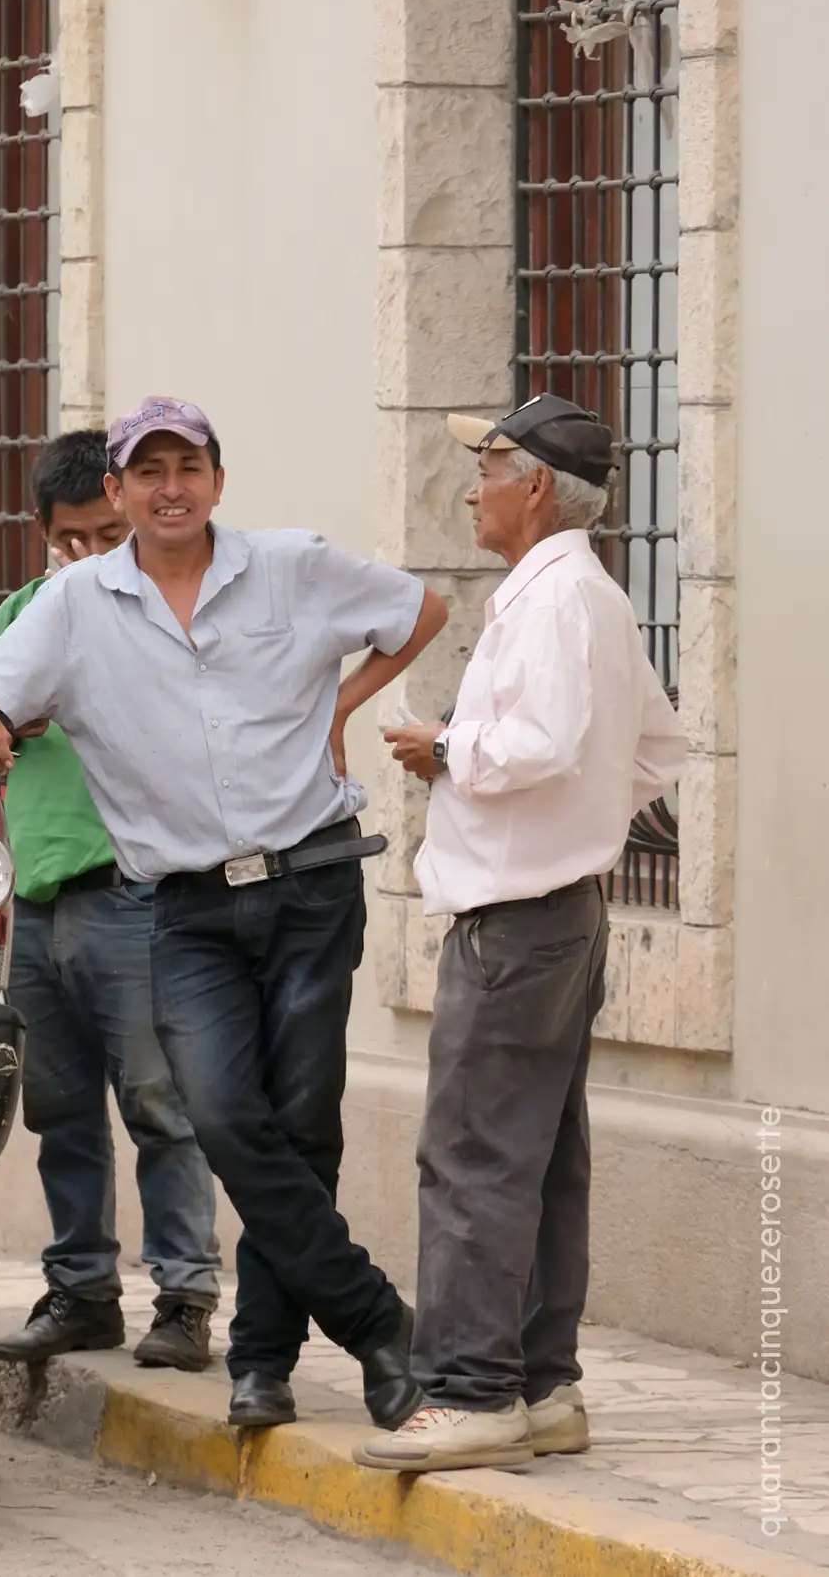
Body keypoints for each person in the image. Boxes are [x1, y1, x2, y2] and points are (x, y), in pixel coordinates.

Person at [0, 395, 450, 1432]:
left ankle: (262, 1361)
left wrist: (341, 708)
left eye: (190, 465)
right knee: (223, 1116)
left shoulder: (293, 564)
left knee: (300, 1128)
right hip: (184, 907)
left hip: (308, 883)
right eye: (148, 470)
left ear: (216, 478)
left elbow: (419, 611)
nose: (170, 486)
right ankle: (376, 1318)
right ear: (117, 492)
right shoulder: (76, 601)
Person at [355, 396, 687, 1473]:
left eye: (488, 463)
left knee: (473, 1152)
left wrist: (443, 745)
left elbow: (538, 741)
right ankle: (542, 1383)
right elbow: (652, 750)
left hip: (515, 914)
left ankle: (471, 1390)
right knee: (541, 1154)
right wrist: (582, 818)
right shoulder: (593, 597)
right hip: (565, 906)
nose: (470, 484)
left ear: (535, 484)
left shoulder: (551, 602)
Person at [0, 430, 223, 1373]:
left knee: (162, 1104)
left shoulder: (161, 610)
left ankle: (186, 1296)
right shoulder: (27, 612)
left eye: (100, 535)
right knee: (59, 1107)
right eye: (68, 539)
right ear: (43, 536)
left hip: (136, 896)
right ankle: (82, 1288)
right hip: (38, 904)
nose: (85, 555)